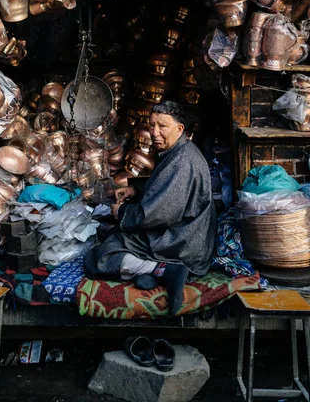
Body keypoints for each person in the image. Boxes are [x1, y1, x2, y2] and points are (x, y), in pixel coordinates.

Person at [84, 100, 217, 315]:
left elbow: (156, 214)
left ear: (179, 129)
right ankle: (150, 274)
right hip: (182, 235)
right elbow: (165, 190)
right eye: (152, 125)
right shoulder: (179, 151)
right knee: (112, 237)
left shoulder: (183, 161)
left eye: (162, 126)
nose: (155, 132)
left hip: (182, 243)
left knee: (101, 255)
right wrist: (136, 190)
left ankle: (164, 270)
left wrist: (122, 212)